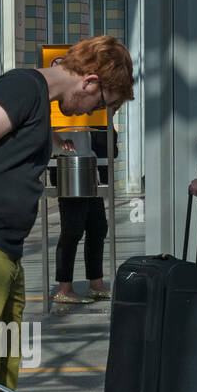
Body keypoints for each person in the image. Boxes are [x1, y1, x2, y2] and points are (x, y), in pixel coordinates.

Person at [0, 35, 134, 392]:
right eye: (100, 102)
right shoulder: (21, 87)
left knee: (0, 366)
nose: (93, 110)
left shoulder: (35, 99)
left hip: (2, 251)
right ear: (90, 81)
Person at [52, 126, 112, 305]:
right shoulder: (53, 100)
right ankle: (64, 288)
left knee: (98, 226)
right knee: (72, 229)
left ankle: (96, 283)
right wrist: (59, 142)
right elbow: (45, 123)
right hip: (66, 160)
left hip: (88, 159)